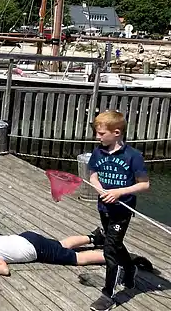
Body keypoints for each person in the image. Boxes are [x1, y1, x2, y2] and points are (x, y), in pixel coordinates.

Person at [88, 110, 150, 311]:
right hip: (103, 207)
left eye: (101, 133)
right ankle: (130, 268)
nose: (97, 137)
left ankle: (108, 295)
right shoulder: (99, 152)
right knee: (114, 243)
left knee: (110, 251)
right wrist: (99, 188)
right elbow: (93, 174)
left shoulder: (133, 156)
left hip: (121, 211)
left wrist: (119, 192)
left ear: (116, 132)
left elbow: (144, 184)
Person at [0, 228, 106, 276]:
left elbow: (4, 269)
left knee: (77, 258)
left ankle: (113, 257)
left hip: (35, 249)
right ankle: (94, 238)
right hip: (26, 236)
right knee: (62, 244)